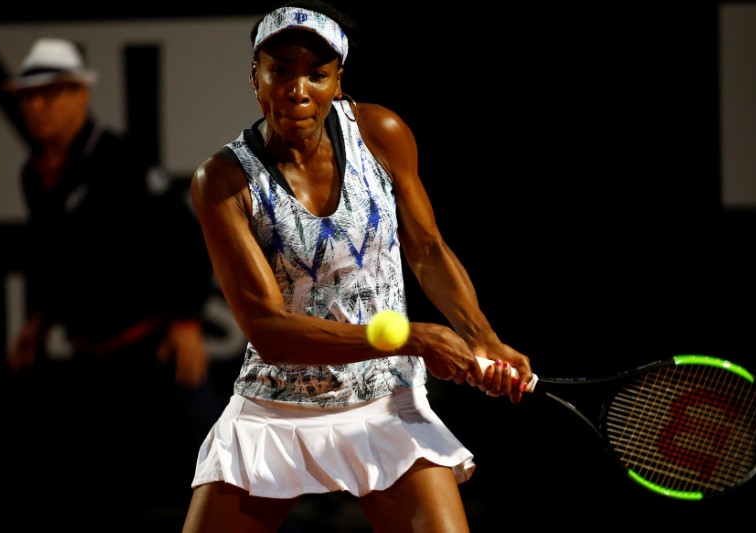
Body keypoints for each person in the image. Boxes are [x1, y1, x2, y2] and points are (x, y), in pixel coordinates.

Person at [182, 1, 534, 531]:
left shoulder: (381, 132)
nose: (298, 89)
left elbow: (427, 249)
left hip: (383, 402)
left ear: (338, 83)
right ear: (255, 78)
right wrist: (413, 339)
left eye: (316, 75)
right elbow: (270, 331)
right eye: (280, 71)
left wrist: (481, 336)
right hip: (278, 410)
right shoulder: (223, 182)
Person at [1, 37, 219, 528]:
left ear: (80, 95)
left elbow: (185, 237)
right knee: (83, 487)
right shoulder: (34, 175)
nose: (38, 106)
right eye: (29, 96)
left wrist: (185, 320)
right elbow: (52, 256)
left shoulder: (122, 159)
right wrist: (37, 320)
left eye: (52, 93)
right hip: (91, 356)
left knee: (224, 466)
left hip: (156, 349)